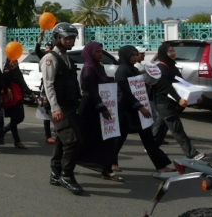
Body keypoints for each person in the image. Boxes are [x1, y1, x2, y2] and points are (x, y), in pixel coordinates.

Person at [112, 45, 173, 173]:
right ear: (125, 56)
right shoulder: (122, 70)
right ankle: (111, 162)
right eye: (132, 55)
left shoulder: (133, 69)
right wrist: (140, 106)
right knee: (119, 137)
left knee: (148, 138)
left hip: (137, 109)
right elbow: (126, 91)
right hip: (126, 109)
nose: (135, 57)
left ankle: (161, 165)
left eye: (135, 55)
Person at [40, 22, 83, 195]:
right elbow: (48, 85)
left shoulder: (66, 57)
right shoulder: (50, 58)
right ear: (57, 38)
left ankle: (55, 172)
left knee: (61, 139)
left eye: (72, 38)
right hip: (59, 107)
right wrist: (55, 108)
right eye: (66, 38)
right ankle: (67, 175)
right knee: (73, 141)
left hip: (70, 105)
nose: (69, 41)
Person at [76, 42, 123, 181]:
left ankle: (106, 169)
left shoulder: (98, 66)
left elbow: (102, 85)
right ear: (90, 53)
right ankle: (67, 164)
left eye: (101, 51)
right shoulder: (89, 69)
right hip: (90, 109)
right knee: (86, 139)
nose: (100, 54)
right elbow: (91, 90)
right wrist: (102, 108)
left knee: (107, 140)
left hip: (100, 106)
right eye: (97, 52)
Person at [152, 43, 205, 160]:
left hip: (169, 102)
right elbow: (168, 87)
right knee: (176, 128)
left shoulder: (172, 66)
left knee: (161, 127)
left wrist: (196, 96)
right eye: (170, 51)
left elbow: (182, 83)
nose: (173, 53)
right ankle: (192, 154)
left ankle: (152, 148)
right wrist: (179, 99)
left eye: (173, 51)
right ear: (163, 54)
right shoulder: (161, 68)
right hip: (163, 102)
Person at [2, 58, 33, 149]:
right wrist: (11, 71)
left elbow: (22, 83)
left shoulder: (17, 71)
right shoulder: (7, 71)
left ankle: (3, 132)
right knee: (16, 119)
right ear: (9, 61)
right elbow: (4, 83)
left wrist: (30, 93)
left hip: (19, 98)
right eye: (12, 61)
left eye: (16, 61)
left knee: (18, 119)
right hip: (12, 99)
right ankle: (17, 141)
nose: (14, 63)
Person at [34, 31, 55, 144]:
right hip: (46, 87)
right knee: (46, 111)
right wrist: (40, 38)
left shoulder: (55, 57)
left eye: (49, 47)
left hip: (56, 87)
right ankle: (48, 135)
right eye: (46, 47)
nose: (47, 49)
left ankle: (58, 132)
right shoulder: (44, 56)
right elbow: (37, 50)